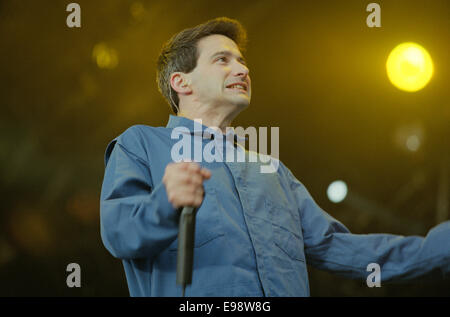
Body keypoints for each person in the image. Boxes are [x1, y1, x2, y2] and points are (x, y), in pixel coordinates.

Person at [100, 17, 450, 296]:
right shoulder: (141, 144)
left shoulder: (273, 170)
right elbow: (119, 232)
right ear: (181, 82)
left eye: (242, 61)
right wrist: (165, 202)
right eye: (223, 59)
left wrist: (441, 247)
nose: (242, 70)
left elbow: (340, 248)